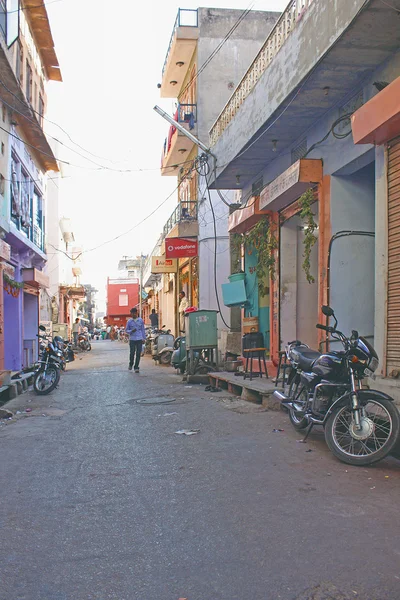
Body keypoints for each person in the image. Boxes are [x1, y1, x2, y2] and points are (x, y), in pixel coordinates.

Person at [126, 307, 146, 372]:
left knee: (138, 353)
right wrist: (131, 331)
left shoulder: (140, 320)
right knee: (132, 353)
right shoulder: (129, 321)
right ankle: (131, 364)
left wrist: (143, 338)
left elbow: (143, 330)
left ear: (136, 313)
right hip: (132, 339)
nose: (133, 315)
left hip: (139, 339)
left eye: (134, 313)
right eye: (132, 313)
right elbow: (126, 330)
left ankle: (136, 367)